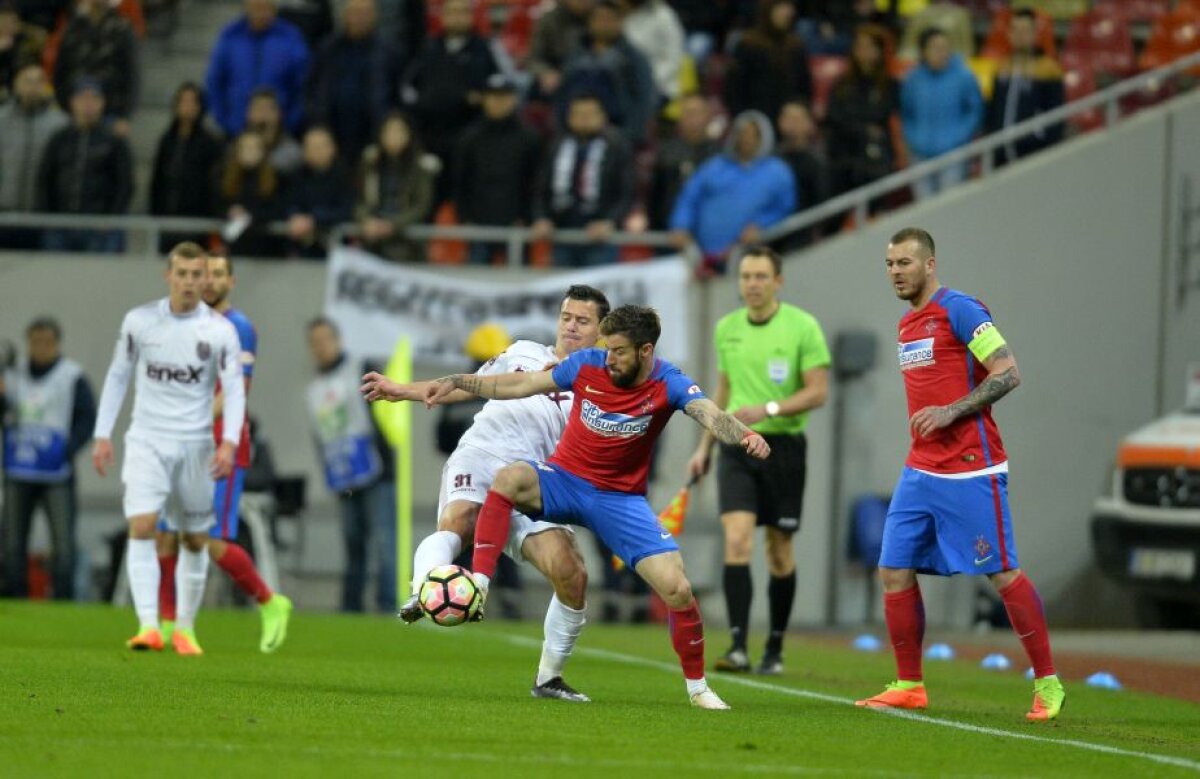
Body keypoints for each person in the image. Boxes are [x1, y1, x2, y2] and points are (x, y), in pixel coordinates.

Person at [423, 305, 773, 709]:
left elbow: (710, 414)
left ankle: (698, 688)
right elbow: (518, 386)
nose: (609, 358)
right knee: (509, 478)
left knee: (677, 588)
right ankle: (479, 585)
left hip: (618, 500)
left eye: (619, 351)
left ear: (646, 351)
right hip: (564, 481)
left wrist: (746, 436)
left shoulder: (669, 382)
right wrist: (456, 382)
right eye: (607, 348)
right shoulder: (586, 364)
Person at [361, 285, 612, 702]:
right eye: (566, 317)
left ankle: (548, 679)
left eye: (582, 321)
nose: (570, 326)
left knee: (573, 574)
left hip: (535, 481)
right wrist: (402, 390)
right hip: (482, 454)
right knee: (458, 523)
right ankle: (425, 589)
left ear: (601, 331)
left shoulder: (604, 384)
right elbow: (472, 384)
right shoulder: (524, 351)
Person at [856, 226, 1064, 722]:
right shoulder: (907, 325)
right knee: (893, 568)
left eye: (904, 263)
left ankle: (1049, 683)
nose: (895, 273)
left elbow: (1008, 372)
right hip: (921, 467)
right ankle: (909, 684)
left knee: (1001, 571)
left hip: (972, 467)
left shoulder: (962, 309)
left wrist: (952, 411)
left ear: (930, 265)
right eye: (889, 264)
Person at [91, 242, 247, 655]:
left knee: (195, 539)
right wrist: (103, 434)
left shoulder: (219, 331)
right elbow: (118, 376)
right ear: (169, 276)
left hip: (196, 445)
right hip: (147, 440)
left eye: (199, 275)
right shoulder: (140, 322)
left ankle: (184, 628)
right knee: (142, 526)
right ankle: (148, 627)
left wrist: (228, 442)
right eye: (183, 274)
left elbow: (233, 390)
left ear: (205, 279)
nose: (192, 282)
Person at [686, 245, 829, 675]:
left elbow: (817, 391)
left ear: (778, 282)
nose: (751, 284)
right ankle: (737, 646)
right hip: (737, 446)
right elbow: (724, 391)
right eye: (745, 276)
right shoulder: (727, 328)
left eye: (760, 276)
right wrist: (704, 447)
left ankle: (775, 647)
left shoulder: (803, 327)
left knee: (779, 550)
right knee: (737, 540)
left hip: (784, 449)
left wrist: (768, 409)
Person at [155, 254, 293, 654]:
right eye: (204, 274)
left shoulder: (239, 328)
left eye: (218, 274)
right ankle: (167, 626)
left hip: (221, 444)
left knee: (207, 540)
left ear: (231, 281)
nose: (209, 281)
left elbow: (234, 391)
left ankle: (270, 601)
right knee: (165, 534)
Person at [1, 318, 96, 599]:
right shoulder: (12, 375)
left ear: (57, 344)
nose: (41, 348)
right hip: (19, 470)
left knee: (64, 544)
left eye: (47, 342)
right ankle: (15, 597)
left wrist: (67, 448)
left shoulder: (71, 376)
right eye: (36, 342)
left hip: (57, 473)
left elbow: (86, 419)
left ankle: (62, 599)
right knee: (13, 542)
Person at [305, 317, 395, 613]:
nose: (320, 348)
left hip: (377, 471)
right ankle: (351, 606)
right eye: (314, 343)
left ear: (338, 340)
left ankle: (387, 604)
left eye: (324, 340)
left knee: (384, 543)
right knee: (353, 543)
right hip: (343, 476)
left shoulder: (362, 369)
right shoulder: (314, 389)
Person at [668, 110, 795, 273]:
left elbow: (784, 207)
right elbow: (689, 198)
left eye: (752, 134)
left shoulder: (777, 172)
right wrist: (681, 225)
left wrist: (762, 224)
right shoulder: (714, 167)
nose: (746, 139)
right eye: (742, 133)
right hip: (703, 256)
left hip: (751, 258)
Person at [400, 0, 499, 202]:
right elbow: (410, 88)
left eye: (462, 12)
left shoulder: (484, 49)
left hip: (470, 136)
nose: (457, 17)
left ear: (471, 17)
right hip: (431, 135)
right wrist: (461, 98)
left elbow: (492, 90)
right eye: (452, 12)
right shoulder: (428, 48)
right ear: (442, 17)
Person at [532, 92, 634, 268]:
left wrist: (610, 221)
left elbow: (626, 191)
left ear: (602, 117)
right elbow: (540, 188)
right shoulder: (557, 146)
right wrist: (541, 217)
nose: (584, 119)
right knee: (564, 291)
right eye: (578, 114)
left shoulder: (617, 146)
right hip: (561, 233)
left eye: (589, 114)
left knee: (594, 291)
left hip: (600, 235)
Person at [453, 73, 543, 266]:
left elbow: (536, 182)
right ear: (484, 99)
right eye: (493, 96)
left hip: (516, 224)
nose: (498, 102)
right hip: (478, 224)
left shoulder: (529, 138)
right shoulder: (469, 138)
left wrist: (527, 217)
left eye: (504, 96)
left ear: (514, 99)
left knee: (519, 286)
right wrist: (465, 217)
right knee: (476, 281)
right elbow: (460, 180)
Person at [36, 77, 133, 253]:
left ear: (102, 103)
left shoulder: (113, 141)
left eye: (94, 98)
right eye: (83, 98)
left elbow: (124, 184)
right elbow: (45, 179)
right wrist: (47, 217)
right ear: (73, 102)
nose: (88, 104)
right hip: (60, 226)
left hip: (98, 229)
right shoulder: (59, 139)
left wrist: (111, 219)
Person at [306, 0, 403, 165]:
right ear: (344, 16)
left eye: (365, 14)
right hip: (334, 131)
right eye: (355, 13)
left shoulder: (389, 52)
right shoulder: (327, 49)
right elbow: (314, 89)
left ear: (375, 17)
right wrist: (318, 125)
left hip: (373, 132)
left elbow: (397, 93)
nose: (359, 19)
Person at [206, 0, 310, 138]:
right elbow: (215, 82)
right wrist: (223, 119)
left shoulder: (290, 38)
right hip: (236, 128)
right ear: (246, 9)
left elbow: (304, 84)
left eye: (264, 8)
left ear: (274, 10)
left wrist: (291, 121)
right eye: (255, 8)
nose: (260, 14)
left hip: (279, 130)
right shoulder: (230, 36)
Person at [556, 0, 655, 145]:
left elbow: (644, 99)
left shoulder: (633, 59)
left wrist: (629, 134)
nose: (604, 24)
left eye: (609, 19)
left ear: (620, 22)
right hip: (574, 131)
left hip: (617, 132)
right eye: (599, 19)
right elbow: (562, 94)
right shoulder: (575, 56)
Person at [900, 27, 982, 200]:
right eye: (935, 48)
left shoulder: (964, 76)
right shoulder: (912, 79)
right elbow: (906, 112)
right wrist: (913, 138)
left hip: (953, 153)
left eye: (945, 48)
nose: (941, 53)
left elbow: (975, 110)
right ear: (924, 51)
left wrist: (959, 136)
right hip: (920, 153)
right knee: (923, 207)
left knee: (949, 204)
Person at [149, 82, 225, 252]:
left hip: (197, 224)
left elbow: (213, 185)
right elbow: (157, 181)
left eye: (192, 102)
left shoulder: (209, 143)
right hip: (167, 220)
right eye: (183, 101)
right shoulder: (167, 141)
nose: (187, 107)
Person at [984, 8, 1064, 168]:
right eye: (1015, 30)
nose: (1020, 35)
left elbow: (1055, 115)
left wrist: (1044, 141)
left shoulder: (1048, 69)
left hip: (1033, 153)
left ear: (1035, 34)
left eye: (1025, 30)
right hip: (1001, 153)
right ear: (1009, 34)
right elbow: (993, 108)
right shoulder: (1002, 67)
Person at [825, 24, 898, 198]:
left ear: (880, 51)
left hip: (874, 157)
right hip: (843, 154)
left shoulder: (889, 85)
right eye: (859, 46)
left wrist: (855, 123)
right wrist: (864, 129)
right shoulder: (841, 84)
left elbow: (881, 114)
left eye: (869, 46)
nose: (863, 51)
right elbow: (835, 116)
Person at [0, 63, 67, 250]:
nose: (32, 87)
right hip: (4, 213)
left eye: (39, 82)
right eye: (27, 81)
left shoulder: (59, 124)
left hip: (40, 216)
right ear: (16, 85)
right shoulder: (2, 120)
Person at [355, 110, 436, 263]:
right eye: (389, 131)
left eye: (399, 131)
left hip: (408, 241)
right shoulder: (370, 163)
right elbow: (359, 200)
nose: (393, 136)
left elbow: (422, 205)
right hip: (373, 240)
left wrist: (393, 225)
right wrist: (365, 220)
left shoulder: (421, 166)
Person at [52, 0, 139, 136]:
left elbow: (131, 75)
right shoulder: (72, 28)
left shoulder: (122, 28)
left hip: (110, 112)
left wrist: (125, 116)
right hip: (74, 112)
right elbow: (60, 71)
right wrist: (64, 106)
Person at [724, 0, 812, 125]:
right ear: (768, 9)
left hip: (789, 125)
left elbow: (804, 90)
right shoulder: (748, 45)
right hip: (754, 123)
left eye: (789, 7)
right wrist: (745, 121)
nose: (788, 12)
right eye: (782, 6)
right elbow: (733, 91)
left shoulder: (796, 47)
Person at [646, 93, 719, 232]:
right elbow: (655, 197)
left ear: (709, 118)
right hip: (669, 234)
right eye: (687, 113)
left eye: (697, 113)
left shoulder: (720, 155)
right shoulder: (666, 152)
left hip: (709, 234)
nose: (692, 119)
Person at [284, 125, 355, 258]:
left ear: (333, 148)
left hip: (338, 246)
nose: (316, 151)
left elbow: (347, 209)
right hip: (304, 247)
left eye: (321, 146)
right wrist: (295, 216)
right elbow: (289, 203)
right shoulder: (297, 176)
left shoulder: (345, 176)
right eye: (311, 147)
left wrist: (314, 219)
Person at [216, 131, 287, 258]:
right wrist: (229, 211)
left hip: (267, 248)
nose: (250, 152)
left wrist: (250, 216)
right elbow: (215, 205)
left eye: (255, 147)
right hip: (235, 247)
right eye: (245, 147)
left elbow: (279, 209)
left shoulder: (276, 178)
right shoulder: (223, 177)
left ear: (263, 151)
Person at [245, 87, 304, 175]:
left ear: (279, 114)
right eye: (258, 109)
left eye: (268, 110)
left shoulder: (292, 153)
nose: (263, 115)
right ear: (249, 114)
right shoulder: (235, 151)